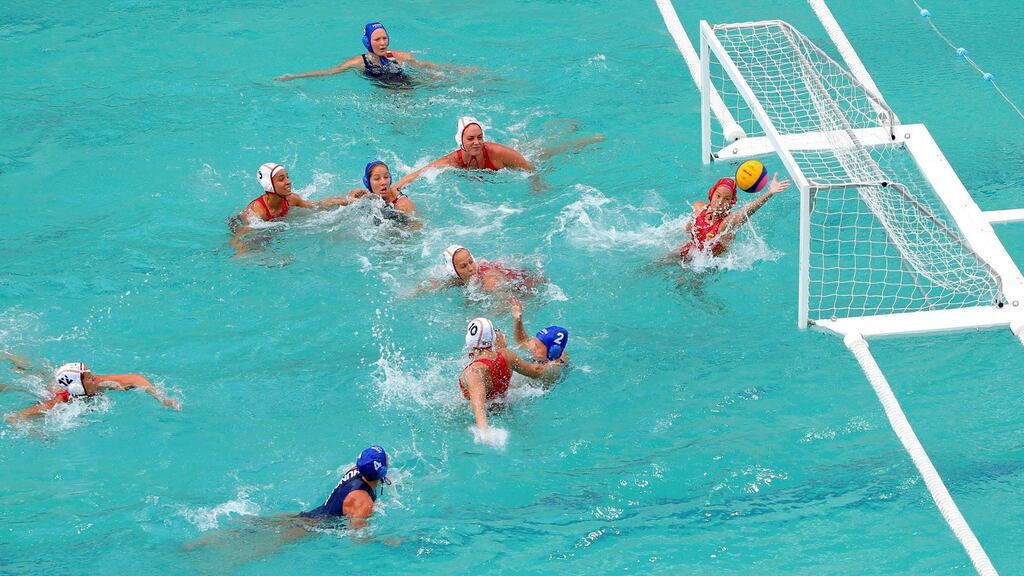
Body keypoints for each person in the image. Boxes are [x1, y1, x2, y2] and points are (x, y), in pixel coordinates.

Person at [183, 446, 395, 558]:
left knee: (255, 525)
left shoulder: (354, 470)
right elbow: (358, 538)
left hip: (310, 514)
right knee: (269, 547)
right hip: (315, 527)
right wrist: (384, 541)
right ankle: (227, 563)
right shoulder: (364, 502)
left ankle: (200, 543)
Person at [393, 117, 604, 191]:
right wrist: (395, 187)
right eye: (471, 138)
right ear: (461, 141)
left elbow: (530, 169)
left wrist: (537, 184)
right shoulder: (454, 160)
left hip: (517, 160)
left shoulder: (497, 153)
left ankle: (586, 139)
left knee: (547, 152)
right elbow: (422, 172)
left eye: (479, 137)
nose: (476, 142)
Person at [230, 163, 365, 255]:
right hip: (238, 225)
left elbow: (318, 205)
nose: (288, 182)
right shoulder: (256, 212)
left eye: (287, 177)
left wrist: (348, 199)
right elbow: (238, 239)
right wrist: (241, 254)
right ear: (269, 185)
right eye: (281, 179)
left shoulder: (291, 199)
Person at [459, 318, 557, 434]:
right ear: (493, 337)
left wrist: (485, 433)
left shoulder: (474, 372)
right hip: (506, 407)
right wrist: (553, 363)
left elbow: (478, 406)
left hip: (477, 417)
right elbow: (535, 372)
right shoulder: (507, 355)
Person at [5, 361, 180, 422]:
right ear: (77, 387)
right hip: (51, 393)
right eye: (88, 377)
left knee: (38, 373)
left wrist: (161, 398)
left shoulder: (98, 382)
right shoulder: (61, 401)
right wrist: (36, 432)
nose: (94, 377)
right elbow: (17, 417)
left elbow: (135, 378)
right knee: (21, 386)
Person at [275, 22, 443, 85]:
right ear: (367, 41)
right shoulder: (359, 62)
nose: (383, 43)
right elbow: (329, 72)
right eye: (377, 39)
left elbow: (426, 66)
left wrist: (459, 70)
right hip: (386, 94)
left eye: (385, 38)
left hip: (409, 85)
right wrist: (294, 76)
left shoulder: (399, 56)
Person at [678, 173, 790, 261]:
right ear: (711, 194)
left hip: (709, 262)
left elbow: (748, 210)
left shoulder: (726, 223)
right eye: (718, 196)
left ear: (731, 203)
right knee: (662, 262)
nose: (720, 201)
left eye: (726, 199)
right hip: (691, 250)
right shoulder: (698, 208)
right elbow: (687, 230)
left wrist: (769, 193)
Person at [412, 244, 543, 297]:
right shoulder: (456, 277)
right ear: (453, 270)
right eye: (463, 266)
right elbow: (435, 283)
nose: (470, 268)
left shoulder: (488, 281)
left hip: (529, 286)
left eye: (470, 261)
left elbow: (503, 306)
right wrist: (413, 292)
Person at [509, 298, 569, 384]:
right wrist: (518, 319)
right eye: (535, 343)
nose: (533, 347)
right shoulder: (544, 349)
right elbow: (522, 341)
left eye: (537, 347)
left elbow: (535, 372)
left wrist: (510, 359)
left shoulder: (554, 368)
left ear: (552, 352)